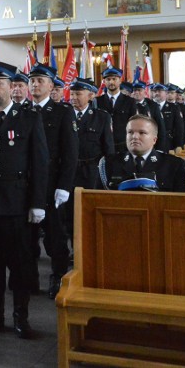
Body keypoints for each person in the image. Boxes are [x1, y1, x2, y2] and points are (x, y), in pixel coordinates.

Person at [0, 60, 47, 340]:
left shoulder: (28, 118)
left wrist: (38, 202)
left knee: (20, 264)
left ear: (11, 86)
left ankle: (20, 316)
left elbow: (40, 163)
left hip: (17, 203)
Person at [26, 63, 78, 299]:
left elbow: (70, 153)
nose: (35, 84)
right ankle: (29, 277)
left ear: (50, 85)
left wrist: (64, 187)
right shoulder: (22, 110)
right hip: (26, 184)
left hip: (52, 183)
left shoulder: (62, 112)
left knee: (55, 236)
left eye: (40, 81)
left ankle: (58, 276)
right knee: (27, 237)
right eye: (32, 80)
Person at [66, 78, 113, 244]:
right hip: (69, 170)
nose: (73, 97)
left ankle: (91, 244)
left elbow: (108, 149)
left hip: (91, 170)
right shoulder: (65, 114)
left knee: (90, 209)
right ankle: (75, 246)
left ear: (91, 96)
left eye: (78, 93)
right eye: (71, 93)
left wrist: (109, 176)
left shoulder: (101, 117)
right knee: (70, 210)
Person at [104, 115, 185, 192]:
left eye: (142, 133)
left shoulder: (174, 165)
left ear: (154, 140)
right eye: (130, 132)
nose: (135, 137)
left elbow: (182, 202)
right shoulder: (109, 163)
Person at [96, 68, 137, 153]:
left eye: (114, 79)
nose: (111, 82)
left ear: (120, 80)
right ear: (104, 81)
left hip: (123, 146)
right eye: (108, 79)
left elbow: (133, 125)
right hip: (102, 146)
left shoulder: (129, 101)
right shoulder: (97, 101)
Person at [130, 81, 170, 152]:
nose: (136, 92)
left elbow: (160, 128)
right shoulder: (127, 105)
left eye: (139, 90)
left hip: (149, 145)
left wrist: (159, 148)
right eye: (134, 90)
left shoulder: (152, 105)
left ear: (145, 92)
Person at [150, 83, 185, 150]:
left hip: (168, 142)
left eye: (159, 91)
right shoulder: (148, 107)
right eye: (155, 91)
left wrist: (178, 145)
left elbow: (179, 128)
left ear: (166, 93)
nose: (157, 93)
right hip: (151, 142)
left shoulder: (174, 107)